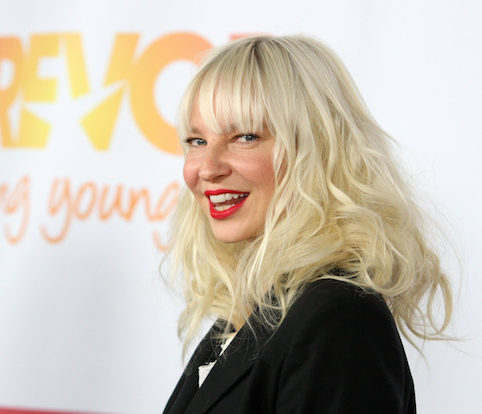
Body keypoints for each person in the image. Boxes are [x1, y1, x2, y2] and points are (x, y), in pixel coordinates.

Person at [162, 35, 453, 414]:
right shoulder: (248, 312)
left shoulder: (341, 319)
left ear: (317, 148)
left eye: (245, 136)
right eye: (196, 140)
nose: (207, 168)